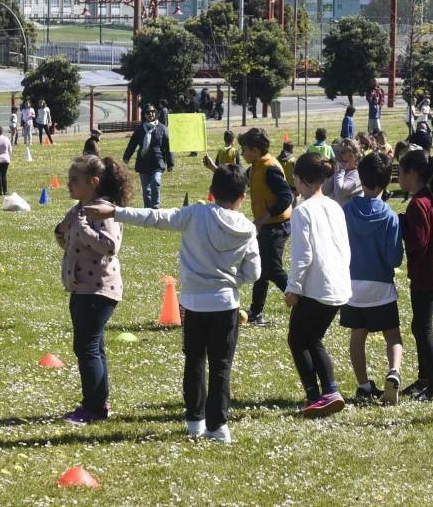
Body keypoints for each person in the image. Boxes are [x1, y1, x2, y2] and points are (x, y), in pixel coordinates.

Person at [87, 163, 259, 442]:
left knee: (194, 362)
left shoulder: (195, 214)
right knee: (221, 367)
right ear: (243, 196)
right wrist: (232, 281)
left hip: (193, 304)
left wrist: (116, 212)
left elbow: (154, 217)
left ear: (212, 191)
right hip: (225, 304)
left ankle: (195, 421)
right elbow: (254, 273)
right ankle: (219, 427)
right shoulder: (248, 228)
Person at [54, 155, 130, 424]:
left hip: (99, 289)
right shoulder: (79, 208)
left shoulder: (103, 210)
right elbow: (67, 237)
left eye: (74, 180)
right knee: (92, 346)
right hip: (81, 288)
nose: (68, 184)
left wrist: (83, 228)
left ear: (93, 182)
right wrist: (62, 231)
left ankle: (93, 407)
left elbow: (110, 246)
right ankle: (100, 403)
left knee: (86, 347)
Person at [285, 152, 352, 417]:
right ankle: (330, 391)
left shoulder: (302, 210)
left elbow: (303, 255)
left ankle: (314, 395)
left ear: (301, 179)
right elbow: (345, 247)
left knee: (297, 340)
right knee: (313, 338)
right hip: (338, 284)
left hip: (317, 286)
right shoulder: (335, 206)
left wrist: (293, 288)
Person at [205, 128, 292, 326]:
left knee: (272, 268)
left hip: (277, 225)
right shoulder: (256, 166)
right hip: (266, 225)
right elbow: (237, 181)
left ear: (255, 150)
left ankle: (298, 299)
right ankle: (256, 311)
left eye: (244, 149)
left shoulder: (270, 168)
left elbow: (286, 197)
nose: (242, 153)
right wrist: (214, 168)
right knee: (262, 269)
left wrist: (264, 217)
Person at [339, 152, 405, 405]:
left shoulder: (346, 211)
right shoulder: (390, 216)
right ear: (387, 181)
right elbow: (394, 259)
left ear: (360, 178)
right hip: (381, 284)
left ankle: (364, 385)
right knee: (392, 334)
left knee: (358, 334)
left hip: (352, 285)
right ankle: (394, 370)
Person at [397, 149, 433, 402]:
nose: (399, 177)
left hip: (427, 273)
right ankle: (424, 379)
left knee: (423, 328)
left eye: (401, 172)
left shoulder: (418, 203)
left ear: (412, 174)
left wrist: (402, 226)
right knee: (419, 326)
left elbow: (417, 242)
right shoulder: (431, 198)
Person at [123, 104, 173, 209]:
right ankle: (148, 210)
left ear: (156, 113)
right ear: (144, 115)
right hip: (143, 162)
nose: (151, 114)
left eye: (153, 111)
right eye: (148, 112)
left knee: (155, 182)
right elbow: (132, 144)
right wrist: (127, 157)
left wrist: (170, 163)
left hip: (157, 162)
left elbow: (168, 147)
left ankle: (156, 208)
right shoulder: (140, 129)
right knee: (146, 190)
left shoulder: (162, 128)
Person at [323, 138, 362, 206]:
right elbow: (324, 190)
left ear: (355, 156)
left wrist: (340, 170)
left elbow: (340, 192)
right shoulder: (339, 171)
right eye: (338, 152)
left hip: (347, 212)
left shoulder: (357, 175)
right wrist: (334, 171)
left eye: (343, 152)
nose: (339, 156)